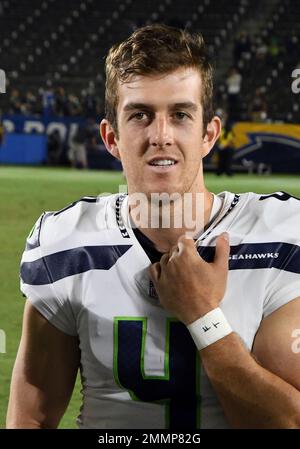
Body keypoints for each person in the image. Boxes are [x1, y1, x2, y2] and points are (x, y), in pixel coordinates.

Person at [6, 25, 300, 429]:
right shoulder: (66, 247)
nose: (160, 135)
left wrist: (201, 316)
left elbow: (288, 421)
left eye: (180, 115)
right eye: (140, 115)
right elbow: (32, 418)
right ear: (111, 137)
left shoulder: (279, 239)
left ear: (208, 135)